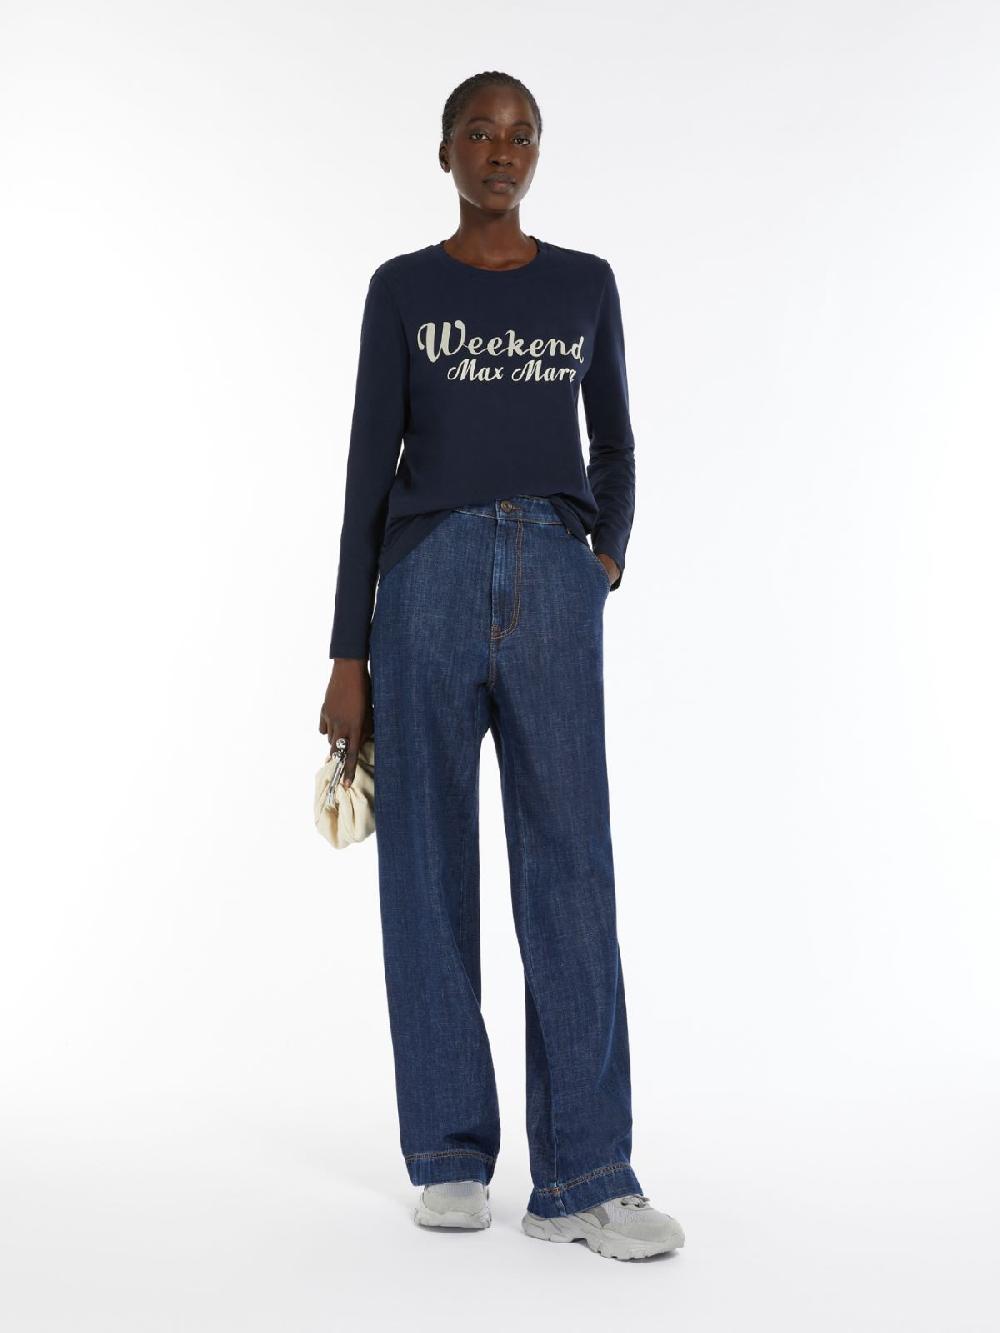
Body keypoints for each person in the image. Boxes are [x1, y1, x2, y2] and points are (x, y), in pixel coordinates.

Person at [319, 71, 685, 1262]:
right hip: (423, 580)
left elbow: (616, 441)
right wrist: (347, 651)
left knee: (570, 864)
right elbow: (367, 472)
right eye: (478, 132)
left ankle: (585, 1174)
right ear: (445, 152)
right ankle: (448, 1154)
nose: (500, 152)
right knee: (426, 865)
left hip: (552, 579)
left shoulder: (585, 284)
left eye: (520, 135)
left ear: (536, 156)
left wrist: (601, 558)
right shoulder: (402, 288)